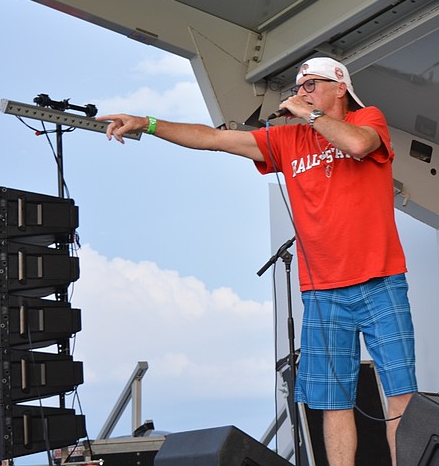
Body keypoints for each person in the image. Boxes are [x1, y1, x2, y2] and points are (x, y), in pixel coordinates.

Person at [98, 57, 417, 466]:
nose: (301, 91)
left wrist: (311, 114)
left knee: (400, 396)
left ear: (340, 86)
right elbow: (213, 139)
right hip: (322, 291)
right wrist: (149, 123)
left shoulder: (368, 118)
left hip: (380, 279)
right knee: (333, 402)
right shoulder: (286, 139)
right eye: (299, 86)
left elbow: (357, 145)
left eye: (311, 84)